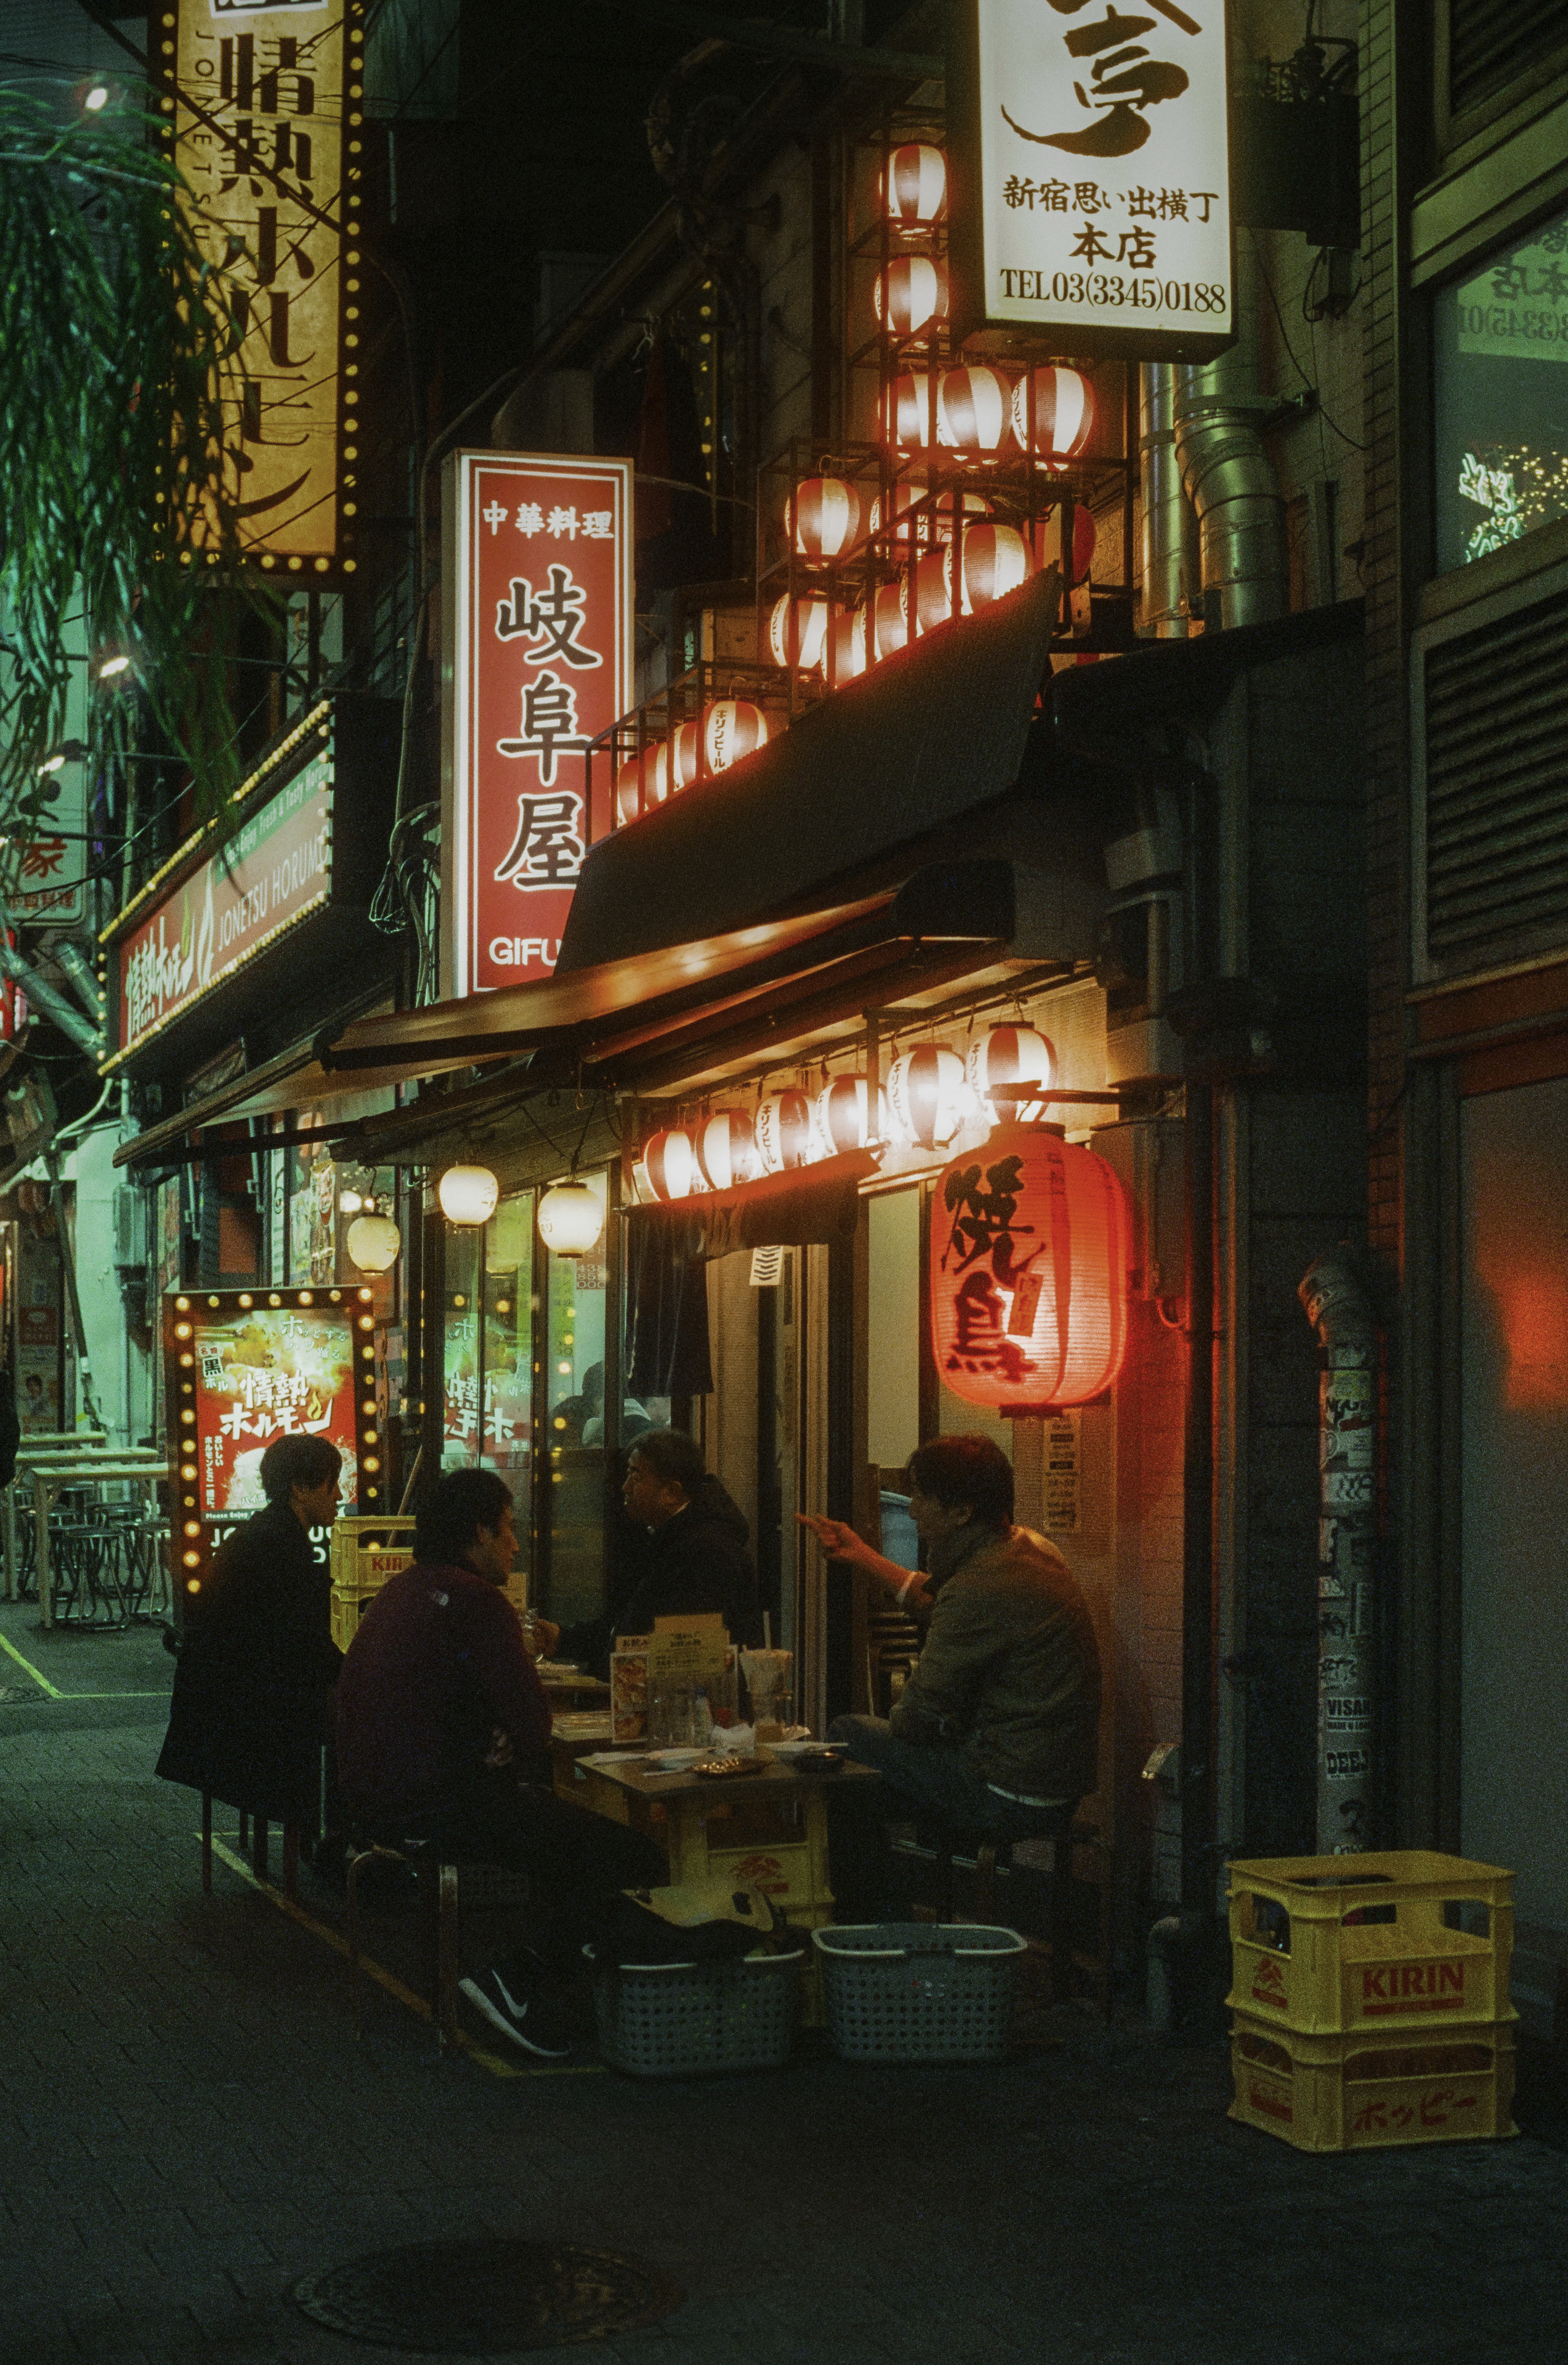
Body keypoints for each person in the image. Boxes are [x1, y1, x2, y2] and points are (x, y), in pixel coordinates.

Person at [334, 1466, 666, 2058]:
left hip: (370, 1801)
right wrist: (501, 1736)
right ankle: (520, 1976)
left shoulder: (404, 1590)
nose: (516, 1544)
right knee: (625, 1851)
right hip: (434, 1804)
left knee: (556, 1826)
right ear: (478, 1534)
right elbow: (535, 1728)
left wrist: (493, 1735)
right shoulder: (476, 1601)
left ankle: (538, 1977)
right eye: (508, 1530)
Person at [799, 1433, 1101, 1917]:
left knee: (846, 1739)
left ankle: (876, 1927)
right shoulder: (1028, 1548)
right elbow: (935, 1599)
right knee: (864, 1782)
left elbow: (911, 1721)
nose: (913, 1510)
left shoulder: (981, 1586)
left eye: (921, 1496)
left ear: (961, 1511)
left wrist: (928, 1718)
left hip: (1010, 1793)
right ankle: (887, 1921)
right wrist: (862, 1555)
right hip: (1056, 1783)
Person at [155, 1432, 344, 1829]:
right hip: (242, 1713)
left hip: (215, 1704)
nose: (340, 1495)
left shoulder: (264, 1533)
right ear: (300, 1488)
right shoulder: (282, 1546)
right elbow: (303, 1644)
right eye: (332, 1485)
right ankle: (334, 1841)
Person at [547, 1427, 764, 1675]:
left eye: (635, 1477)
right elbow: (627, 1627)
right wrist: (562, 1638)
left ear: (671, 1492)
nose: (625, 1487)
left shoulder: (706, 1552)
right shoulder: (666, 1538)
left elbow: (685, 1655)